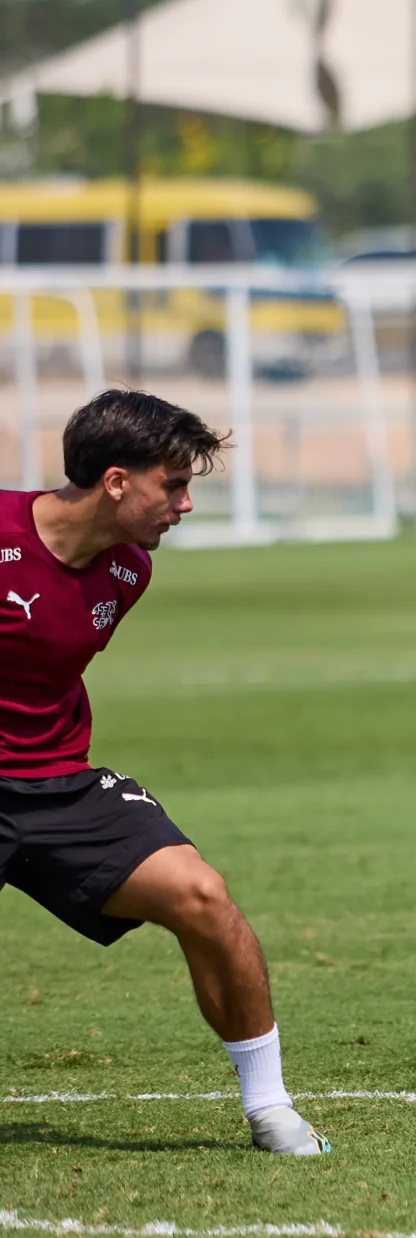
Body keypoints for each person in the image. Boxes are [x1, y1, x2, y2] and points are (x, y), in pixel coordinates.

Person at [0, 390, 328, 1156]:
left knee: (203, 896)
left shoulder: (128, 570)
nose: (183, 504)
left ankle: (271, 1107)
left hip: (57, 783)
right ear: (116, 481)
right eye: (172, 484)